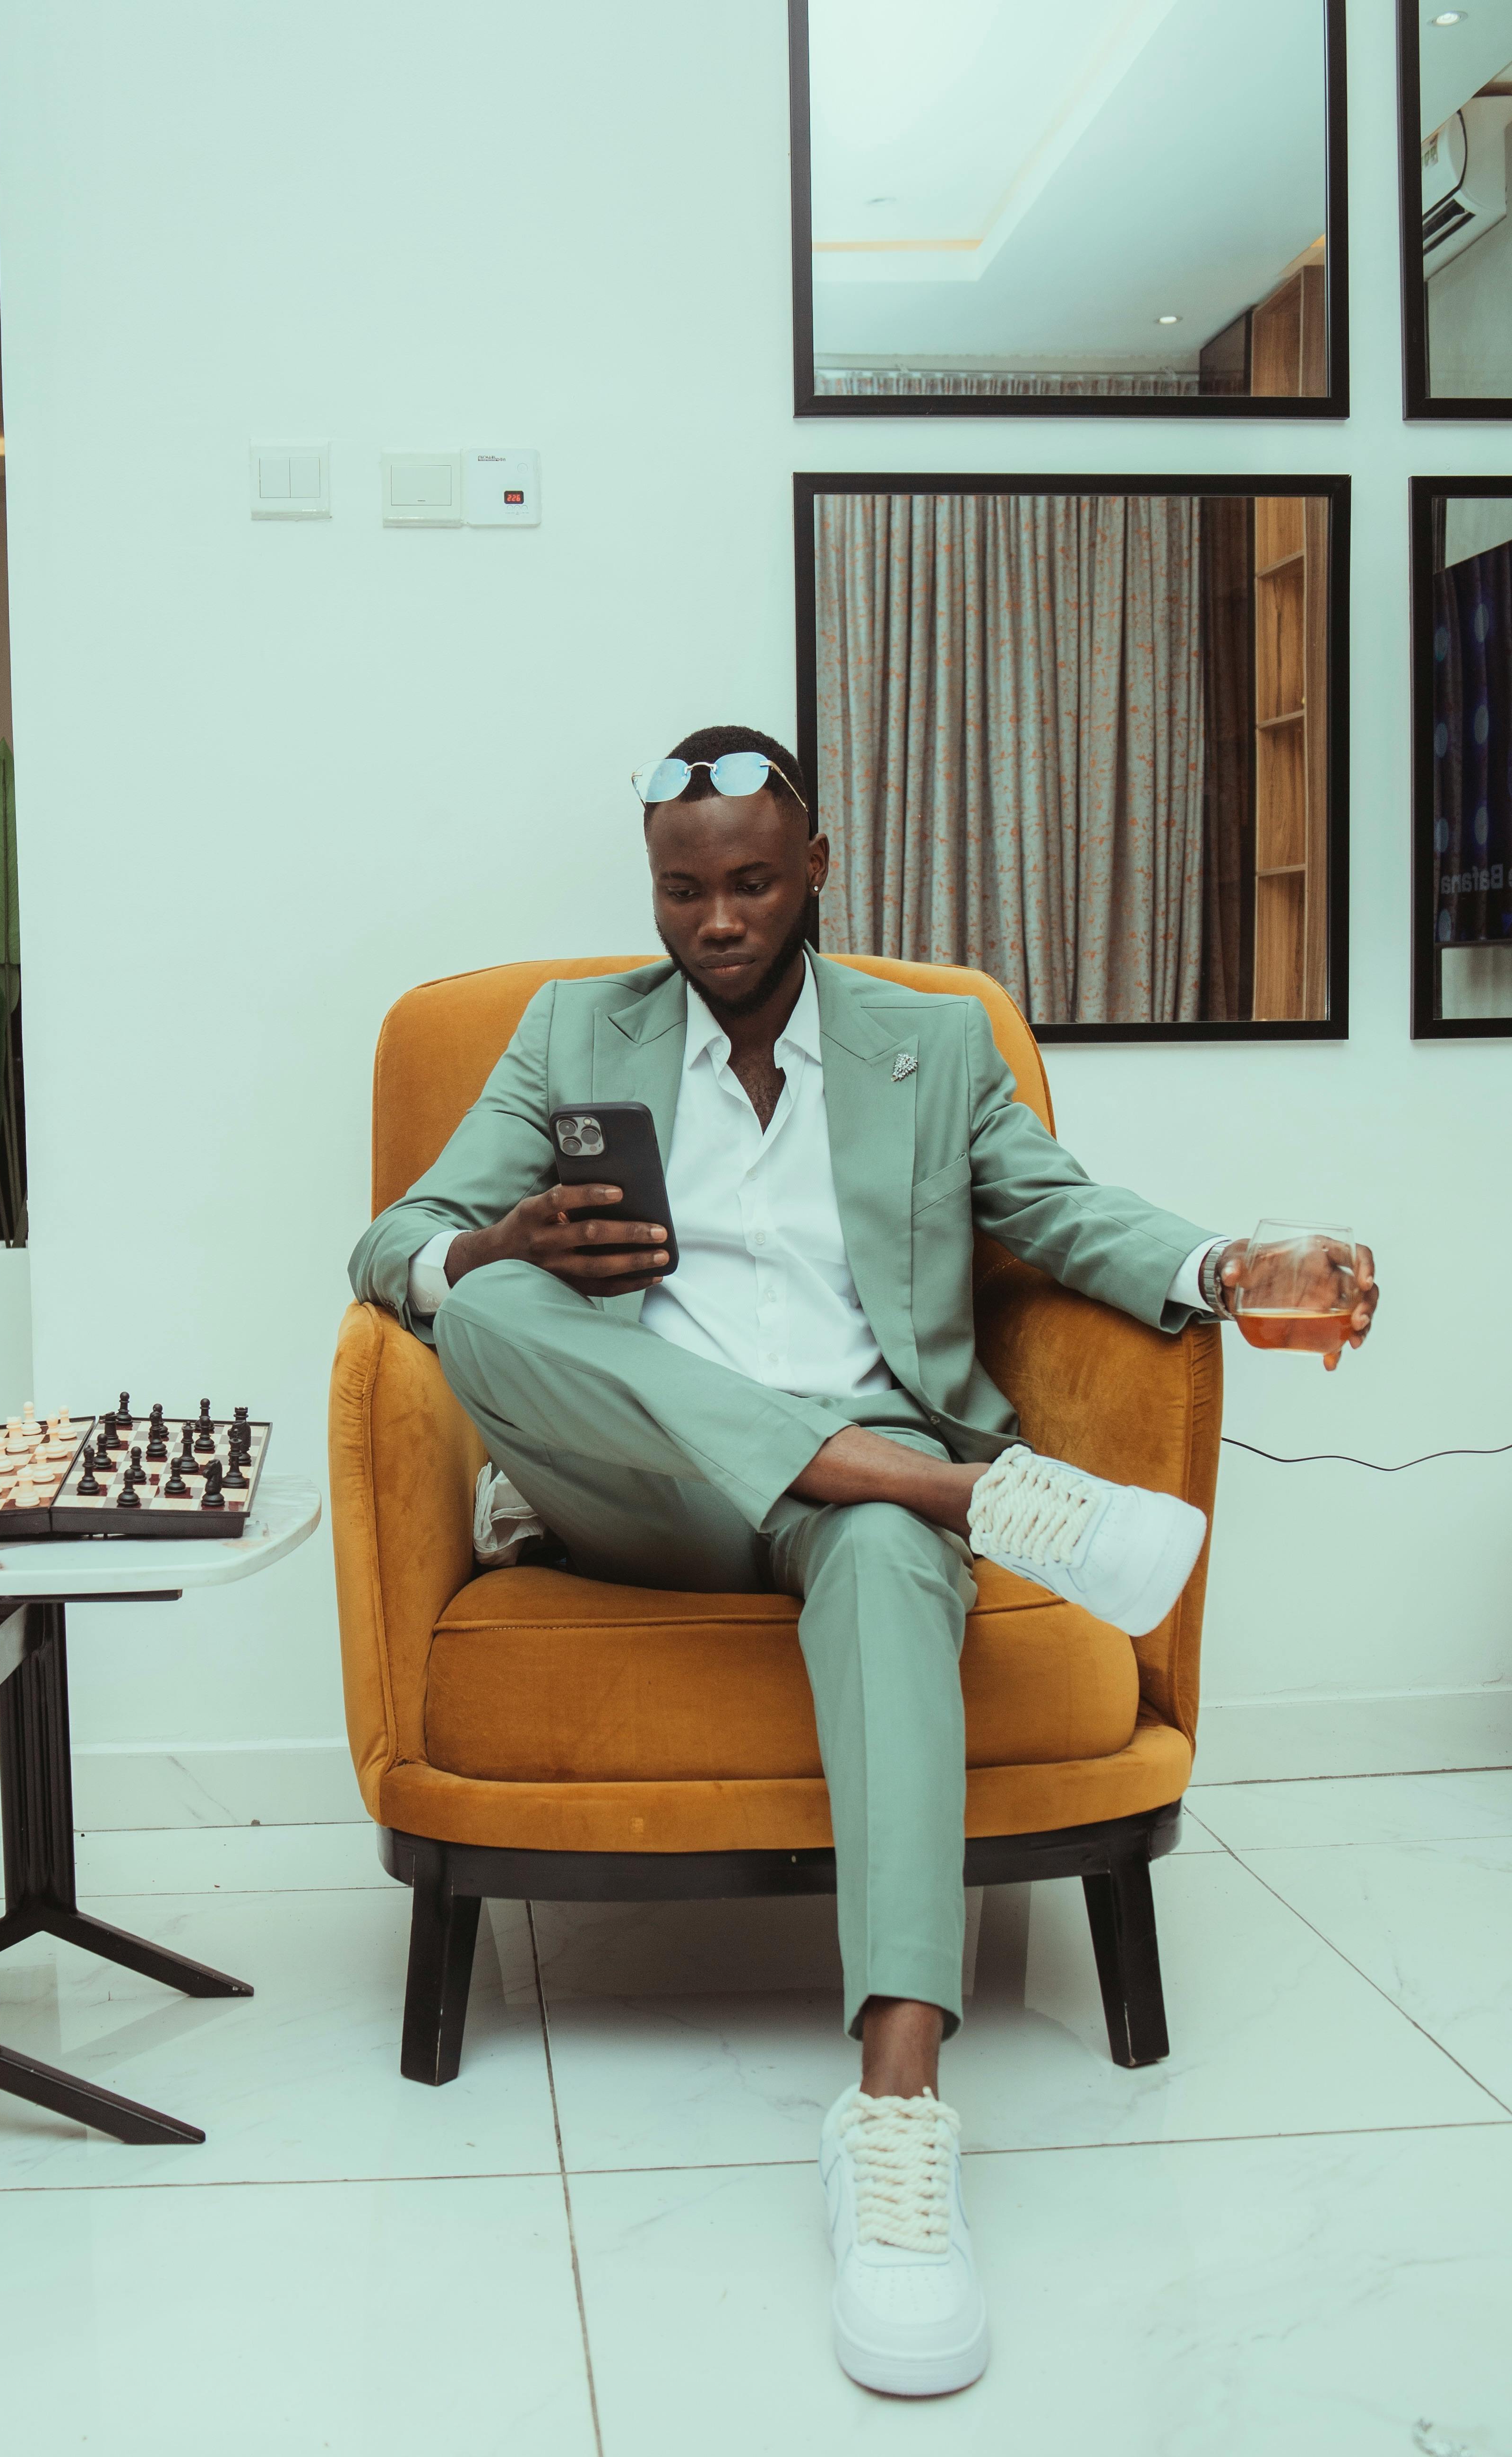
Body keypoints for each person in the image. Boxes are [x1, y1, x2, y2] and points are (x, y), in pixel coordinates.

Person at [346, 722, 1379, 2401]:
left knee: (882, 1543)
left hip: (858, 1487)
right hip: (642, 1491)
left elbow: (1057, 1210)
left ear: (816, 869)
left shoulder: (932, 1045)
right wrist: (499, 1238)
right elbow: (390, 1242)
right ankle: (985, 1501)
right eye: (685, 890)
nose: (719, 921)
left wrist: (1224, 1258)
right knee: (484, 1311)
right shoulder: (569, 1034)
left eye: (753, 881)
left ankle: (896, 2118)